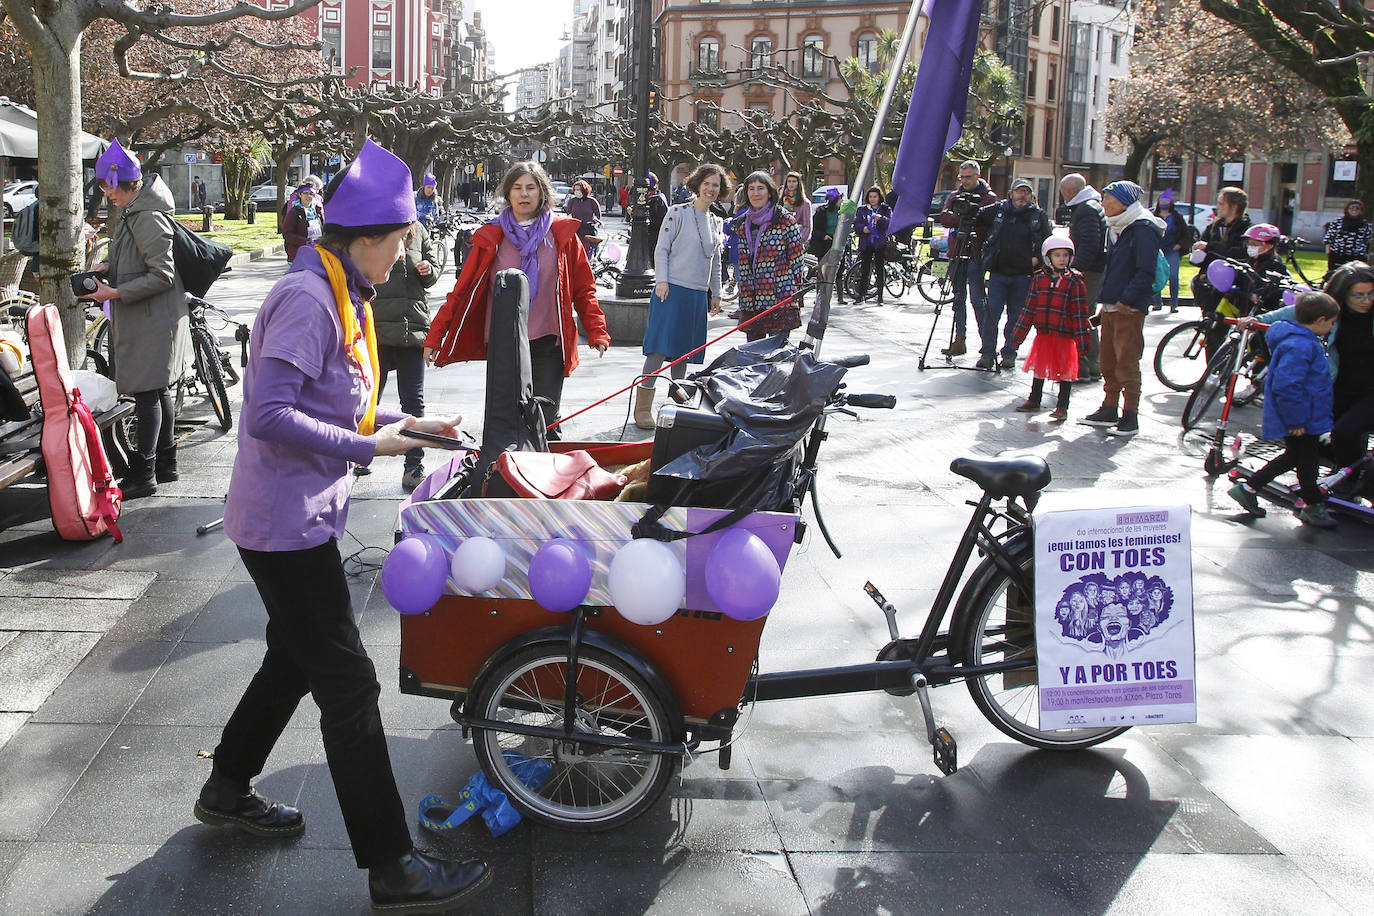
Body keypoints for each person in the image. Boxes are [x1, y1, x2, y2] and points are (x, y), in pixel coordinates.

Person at [203, 139, 489, 911]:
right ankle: (392, 868)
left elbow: (341, 404)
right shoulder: (307, 296)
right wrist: (373, 445)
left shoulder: (339, 288)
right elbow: (268, 415)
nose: (402, 257)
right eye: (399, 243)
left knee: (293, 660)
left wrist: (417, 426)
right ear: (366, 239)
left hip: (298, 514)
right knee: (350, 686)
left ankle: (227, 787)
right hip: (281, 524)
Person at [424, 160, 609, 438]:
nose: (524, 194)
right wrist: (435, 336)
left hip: (549, 341)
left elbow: (584, 289)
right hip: (505, 343)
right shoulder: (491, 235)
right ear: (508, 194)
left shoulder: (562, 235)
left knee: (545, 423)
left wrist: (596, 330)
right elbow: (461, 292)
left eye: (531, 188)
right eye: (517, 188)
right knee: (507, 424)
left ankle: (547, 477)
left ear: (542, 193)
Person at [86, 138, 189, 500]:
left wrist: (113, 292)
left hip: (151, 321)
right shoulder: (139, 209)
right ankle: (166, 464)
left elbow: (161, 274)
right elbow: (141, 262)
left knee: (148, 394)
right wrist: (109, 267)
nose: (106, 195)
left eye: (108, 188)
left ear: (126, 185)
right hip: (152, 319)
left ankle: (144, 473)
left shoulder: (146, 215)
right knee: (157, 392)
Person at [1249, 261, 1374, 476]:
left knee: (1345, 432)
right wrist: (1256, 320)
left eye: (1371, 294)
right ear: (1342, 296)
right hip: (1339, 385)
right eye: (1358, 295)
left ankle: (1351, 480)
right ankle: (1345, 476)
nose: (1366, 301)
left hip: (1370, 391)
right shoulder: (1331, 309)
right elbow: (1294, 311)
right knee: (1315, 439)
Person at [1229, 292, 1341, 528]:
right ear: (1320, 320)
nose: (1332, 327)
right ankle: (1312, 504)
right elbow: (1288, 386)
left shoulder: (1301, 340)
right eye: (1331, 322)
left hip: (1303, 416)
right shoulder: (1300, 345)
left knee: (1296, 457)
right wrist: (1296, 420)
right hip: (1300, 419)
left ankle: (1250, 488)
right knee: (1306, 460)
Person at [634, 163, 726, 429]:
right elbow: (661, 249)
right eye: (707, 183)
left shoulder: (715, 221)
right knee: (659, 348)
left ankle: (675, 405)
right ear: (697, 185)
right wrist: (661, 280)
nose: (710, 189)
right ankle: (643, 408)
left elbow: (716, 262)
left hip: (697, 295)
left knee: (684, 353)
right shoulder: (677, 213)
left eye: (716, 185)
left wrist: (716, 293)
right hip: (671, 289)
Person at [1079, 180, 1164, 439]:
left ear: (1123, 202)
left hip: (1129, 308)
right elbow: (1113, 268)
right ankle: (1109, 407)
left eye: (1107, 199)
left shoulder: (1142, 228)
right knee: (1108, 361)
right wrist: (1106, 303)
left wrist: (1127, 300)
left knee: (1127, 362)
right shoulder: (1116, 227)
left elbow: (1145, 270)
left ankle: (1130, 415)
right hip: (1112, 305)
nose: (1103, 203)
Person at [373, 220, 440, 490]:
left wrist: (428, 270)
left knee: (413, 401)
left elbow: (433, 274)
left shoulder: (419, 230)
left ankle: (414, 465)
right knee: (368, 398)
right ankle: (359, 453)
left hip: (412, 327)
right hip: (376, 328)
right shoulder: (372, 229)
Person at [1007, 234, 1091, 421]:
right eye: (1057, 255)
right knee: (1039, 367)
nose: (1062, 259)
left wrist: (1083, 341)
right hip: (1044, 334)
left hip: (1064, 335)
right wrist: (1017, 336)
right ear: (1048, 257)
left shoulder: (1075, 281)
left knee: (1065, 371)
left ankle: (1062, 406)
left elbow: (1079, 313)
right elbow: (1029, 308)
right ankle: (1034, 399)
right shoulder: (1038, 279)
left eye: (1065, 255)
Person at [974, 177, 1051, 370]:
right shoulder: (999, 210)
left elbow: (1047, 242)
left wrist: (1037, 260)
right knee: (991, 315)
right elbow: (976, 216)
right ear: (1011, 194)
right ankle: (987, 353)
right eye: (1019, 191)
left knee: (1016, 317)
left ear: (1031, 196)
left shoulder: (1037, 216)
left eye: (1026, 192)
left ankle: (1009, 352)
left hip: (1023, 276)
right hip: (999, 274)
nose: (1022, 195)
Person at [730, 171, 806, 342]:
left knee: (775, 356)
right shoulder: (741, 223)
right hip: (751, 298)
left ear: (770, 191)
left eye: (760, 188)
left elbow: (796, 259)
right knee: (753, 356)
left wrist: (794, 291)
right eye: (751, 189)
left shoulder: (785, 220)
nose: (756, 193)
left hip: (780, 298)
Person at [939, 161, 999, 357]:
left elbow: (984, 222)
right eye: (962, 177)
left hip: (976, 253)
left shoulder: (989, 198)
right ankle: (959, 339)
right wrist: (965, 218)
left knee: (978, 300)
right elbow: (945, 218)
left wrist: (965, 218)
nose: (964, 180)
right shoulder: (955, 196)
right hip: (957, 251)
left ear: (978, 177)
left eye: (968, 177)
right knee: (958, 299)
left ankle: (987, 344)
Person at [1191, 186, 1252, 354]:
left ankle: (1222, 369)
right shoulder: (1214, 227)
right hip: (1208, 286)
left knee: (1221, 330)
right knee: (1209, 331)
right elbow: (1204, 250)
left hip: (1230, 289)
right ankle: (1210, 370)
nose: (1218, 207)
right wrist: (1198, 255)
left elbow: (1236, 253)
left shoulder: (1245, 229)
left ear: (1235, 207)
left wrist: (1210, 247)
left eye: (1221, 204)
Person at [1058, 174, 1107, 377]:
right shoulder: (1092, 205)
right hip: (1094, 268)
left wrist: (1074, 270)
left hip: (1089, 270)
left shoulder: (1085, 209)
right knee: (1086, 314)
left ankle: (1087, 363)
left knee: (1081, 315)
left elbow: (1089, 243)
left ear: (1069, 192)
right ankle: (1090, 363)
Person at [854, 185, 891, 304]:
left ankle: (880, 296)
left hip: (879, 243)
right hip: (866, 243)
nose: (872, 199)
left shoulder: (885, 209)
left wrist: (881, 219)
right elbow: (857, 224)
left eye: (875, 197)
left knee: (880, 270)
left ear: (879, 197)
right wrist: (863, 228)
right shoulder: (862, 209)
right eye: (870, 197)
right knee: (865, 270)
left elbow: (890, 223)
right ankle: (861, 295)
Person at [1153, 193, 1189, 313]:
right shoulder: (1153, 215)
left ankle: (1174, 304)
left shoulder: (1177, 217)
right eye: (1162, 201)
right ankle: (1157, 302)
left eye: (1167, 201)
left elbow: (1185, 233)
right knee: (1156, 276)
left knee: (1173, 276)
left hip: (1172, 250)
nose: (1164, 203)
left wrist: (1179, 245)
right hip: (1157, 250)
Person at [1323, 200, 1371, 274]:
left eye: (1357, 208)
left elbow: (1367, 241)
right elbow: (1328, 239)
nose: (1354, 210)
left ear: (1361, 211)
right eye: (1352, 208)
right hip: (1338, 255)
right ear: (1347, 209)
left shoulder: (1366, 225)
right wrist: (1329, 253)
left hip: (1357, 257)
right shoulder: (1337, 222)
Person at [280, 183, 323, 263]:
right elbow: (287, 234)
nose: (308, 196)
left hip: (316, 253)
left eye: (311, 194)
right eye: (305, 193)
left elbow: (323, 229)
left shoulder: (317, 211)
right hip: (299, 255)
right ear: (300, 195)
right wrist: (306, 241)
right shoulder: (294, 212)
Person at [565, 178, 602, 258]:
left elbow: (598, 216)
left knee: (586, 253)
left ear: (584, 190)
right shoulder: (572, 201)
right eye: (575, 190)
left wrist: (595, 222)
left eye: (579, 189)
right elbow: (568, 215)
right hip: (576, 231)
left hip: (588, 232)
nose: (577, 191)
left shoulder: (592, 201)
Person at [780, 171, 812, 244]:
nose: (791, 184)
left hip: (796, 240)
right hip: (780, 239)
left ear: (798, 183)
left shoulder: (805, 203)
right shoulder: (781, 201)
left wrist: (799, 239)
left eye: (794, 181)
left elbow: (807, 226)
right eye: (789, 181)